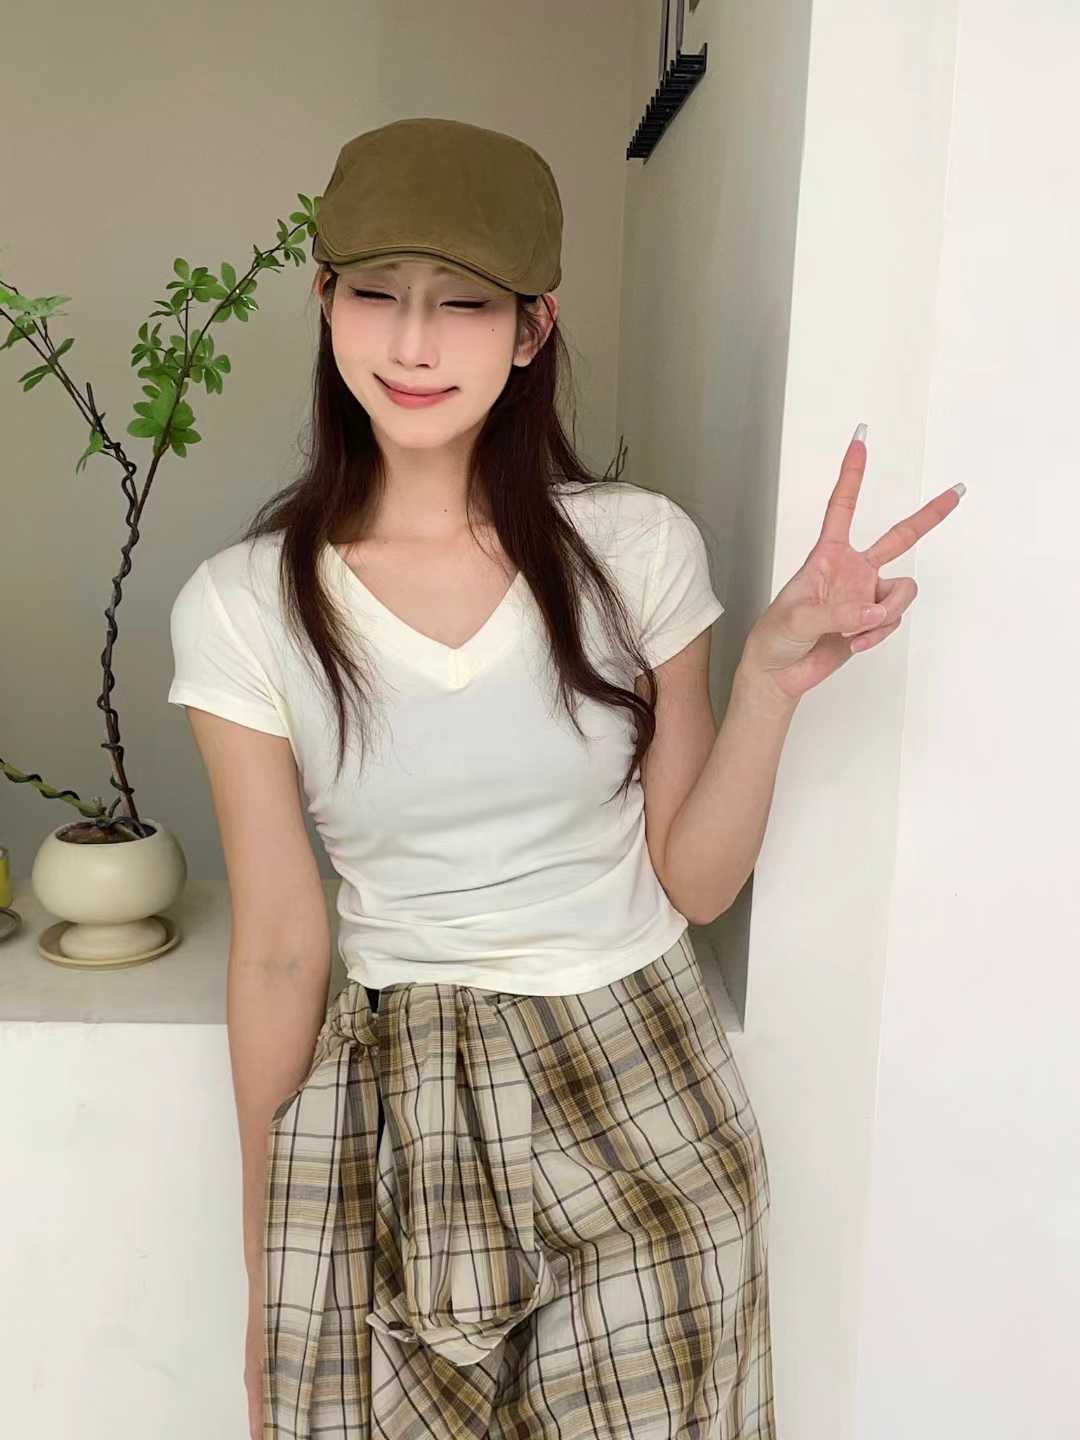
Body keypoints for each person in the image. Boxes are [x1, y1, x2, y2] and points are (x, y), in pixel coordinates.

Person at [167, 118, 962, 1440]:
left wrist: (769, 677)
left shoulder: (637, 552)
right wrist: (268, 1283)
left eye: (464, 304)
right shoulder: (244, 606)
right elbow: (280, 948)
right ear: (325, 302)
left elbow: (695, 879)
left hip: (637, 1073)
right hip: (397, 1101)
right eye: (375, 293)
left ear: (533, 329)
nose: (412, 343)